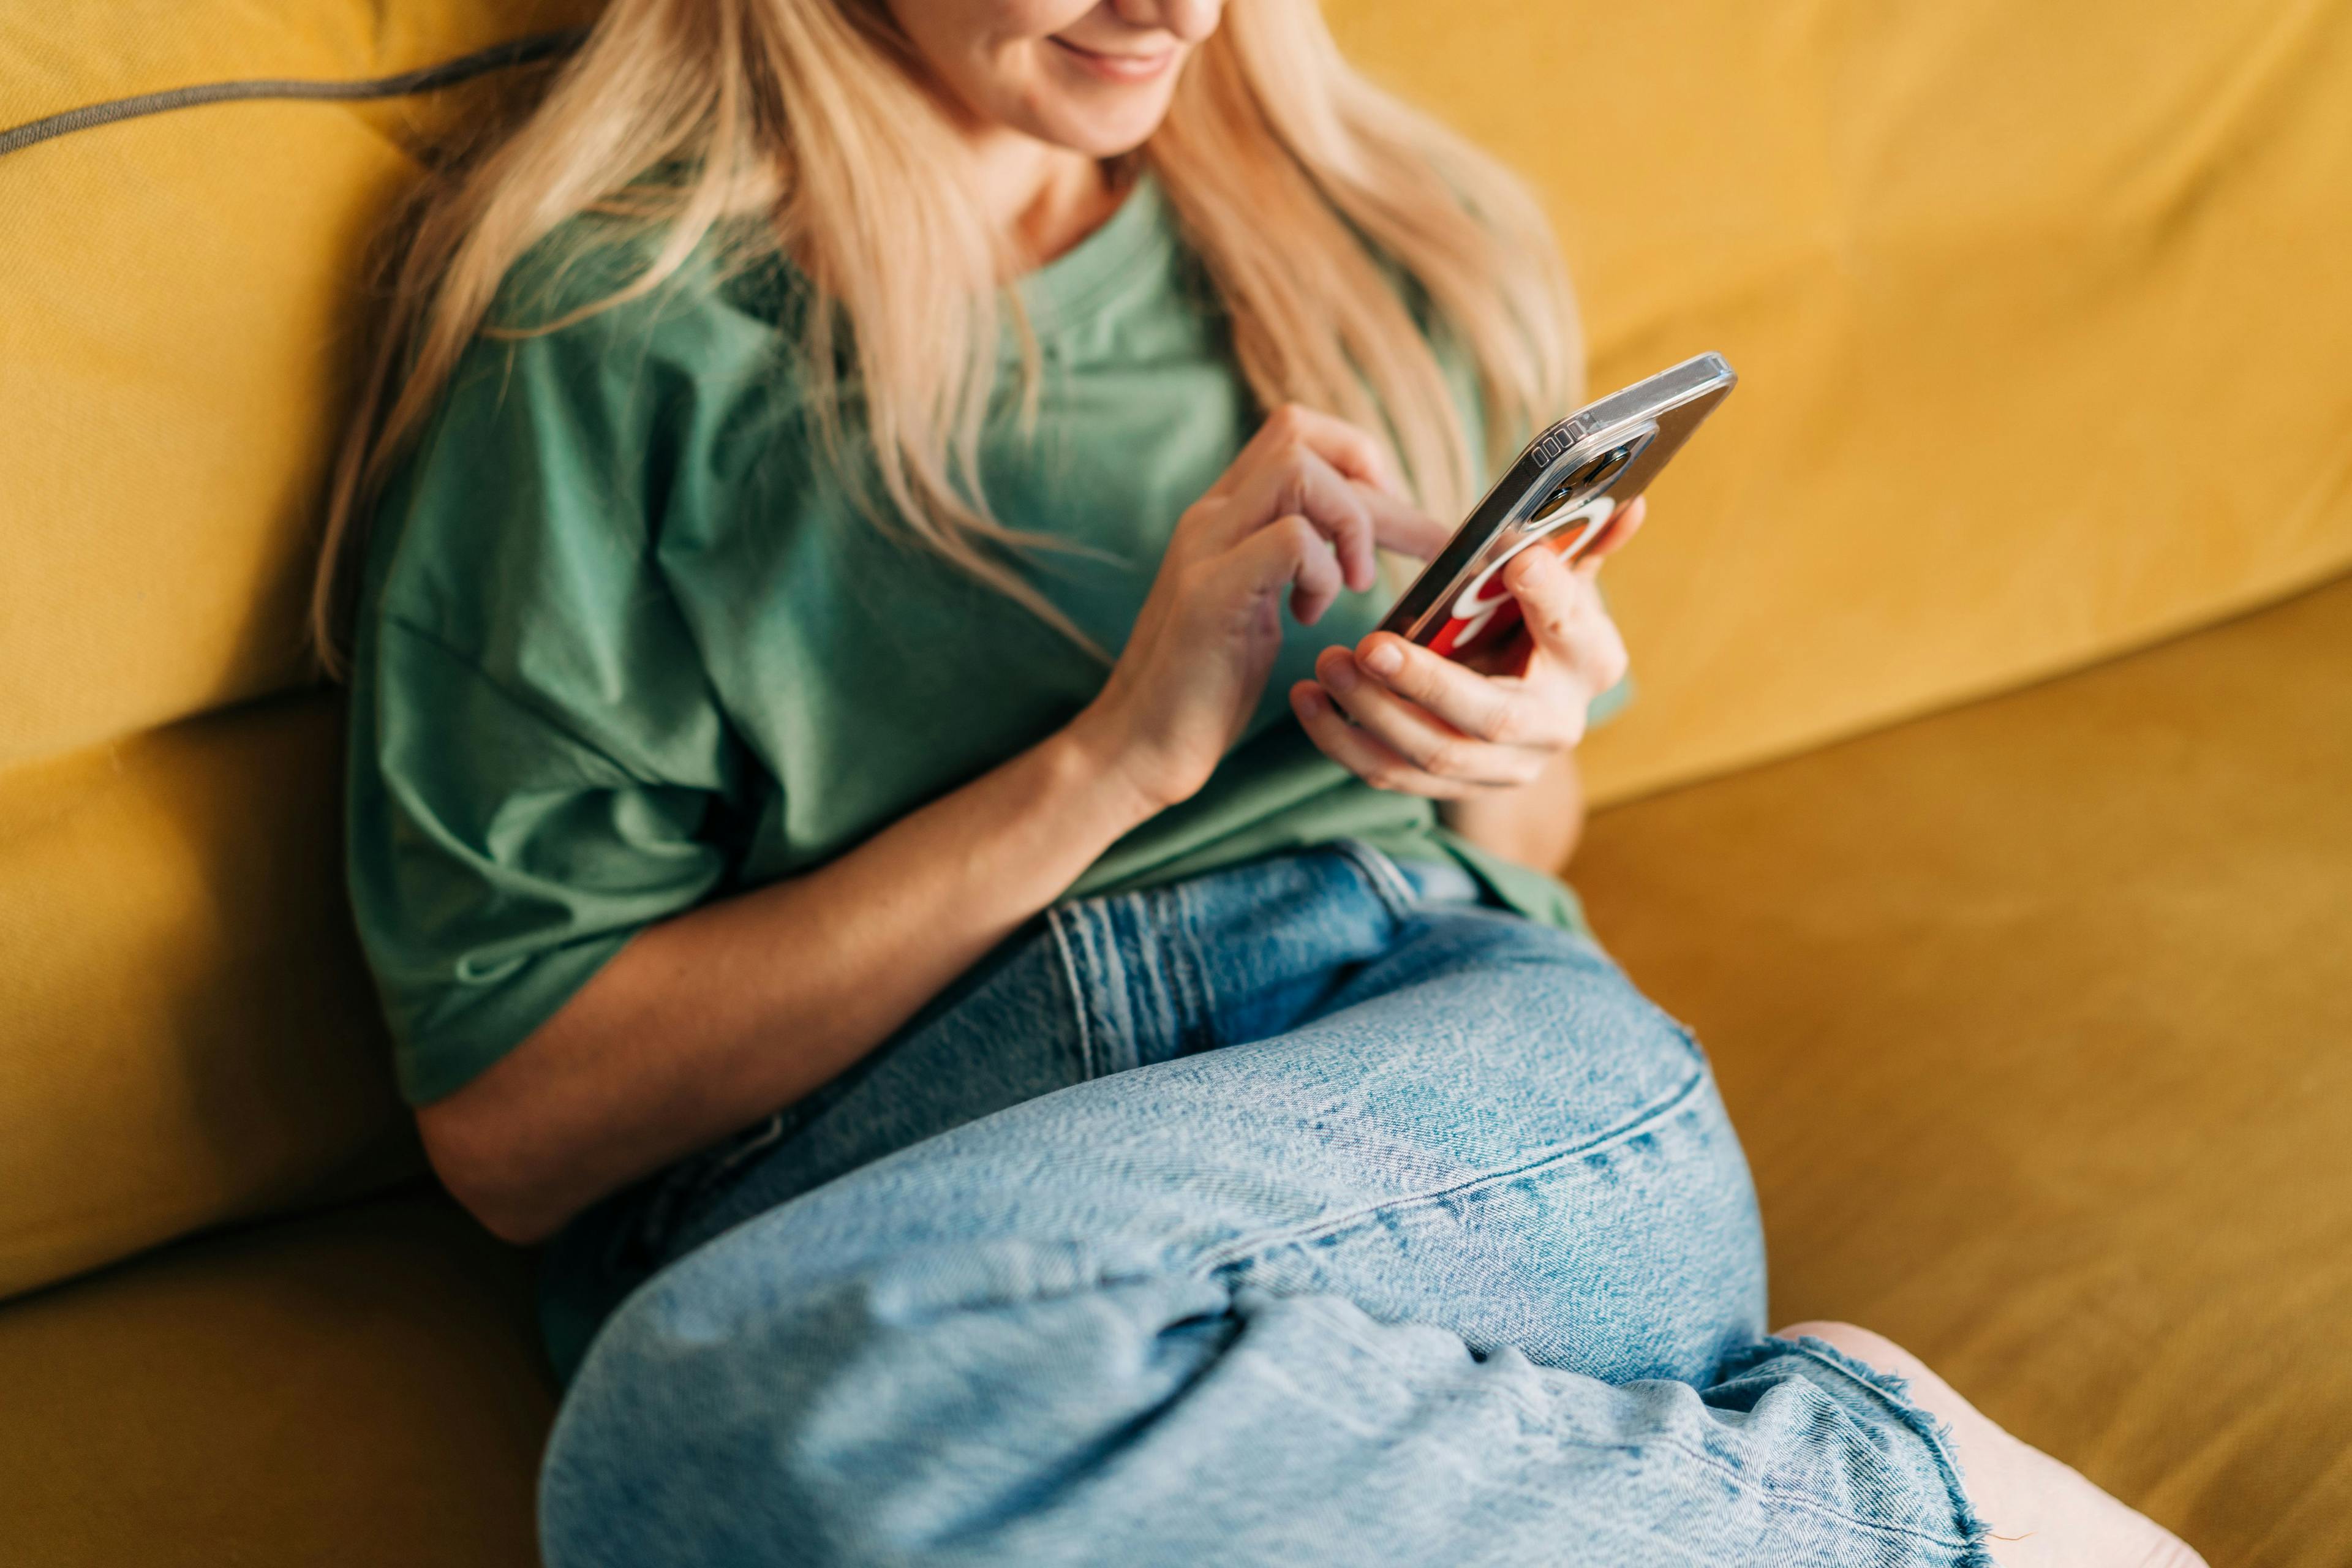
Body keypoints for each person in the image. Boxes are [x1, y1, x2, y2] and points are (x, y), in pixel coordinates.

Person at [314, 2, 2204, 1564]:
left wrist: (1505, 750)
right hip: (906, 1219)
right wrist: (1110, 764)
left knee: (702, 1433)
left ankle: (1908, 1513)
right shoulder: (607, 336)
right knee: (711, 1432)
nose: (1174, 13)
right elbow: (519, 1126)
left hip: (1429, 1045)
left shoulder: (1367, 238)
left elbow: (1527, 849)